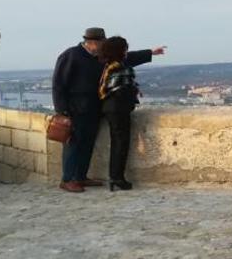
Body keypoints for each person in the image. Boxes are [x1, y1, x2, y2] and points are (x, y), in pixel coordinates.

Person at [51, 28, 165, 193]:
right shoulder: (71, 55)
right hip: (75, 109)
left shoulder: (100, 57)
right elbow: (58, 84)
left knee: (88, 144)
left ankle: (81, 177)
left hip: (94, 109)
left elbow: (124, 57)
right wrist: (61, 110)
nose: (102, 47)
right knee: (73, 144)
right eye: (101, 43)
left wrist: (150, 53)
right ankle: (67, 179)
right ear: (91, 42)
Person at [98, 36, 144, 191]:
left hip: (110, 108)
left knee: (117, 143)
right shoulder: (122, 68)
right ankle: (117, 178)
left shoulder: (108, 66)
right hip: (119, 109)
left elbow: (111, 88)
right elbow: (123, 90)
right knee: (121, 144)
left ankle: (114, 177)